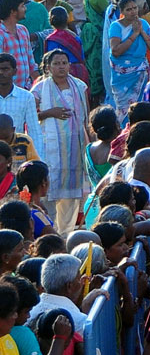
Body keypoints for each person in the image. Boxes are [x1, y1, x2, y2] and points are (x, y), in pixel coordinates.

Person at [31, 51, 90, 231]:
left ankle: (66, 231)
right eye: (57, 63)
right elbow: (32, 117)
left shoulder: (80, 86)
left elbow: (86, 117)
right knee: (51, 183)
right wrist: (50, 113)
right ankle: (50, 229)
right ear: (48, 67)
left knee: (72, 188)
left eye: (64, 62)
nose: (61, 66)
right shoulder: (39, 89)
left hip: (75, 146)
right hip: (51, 146)